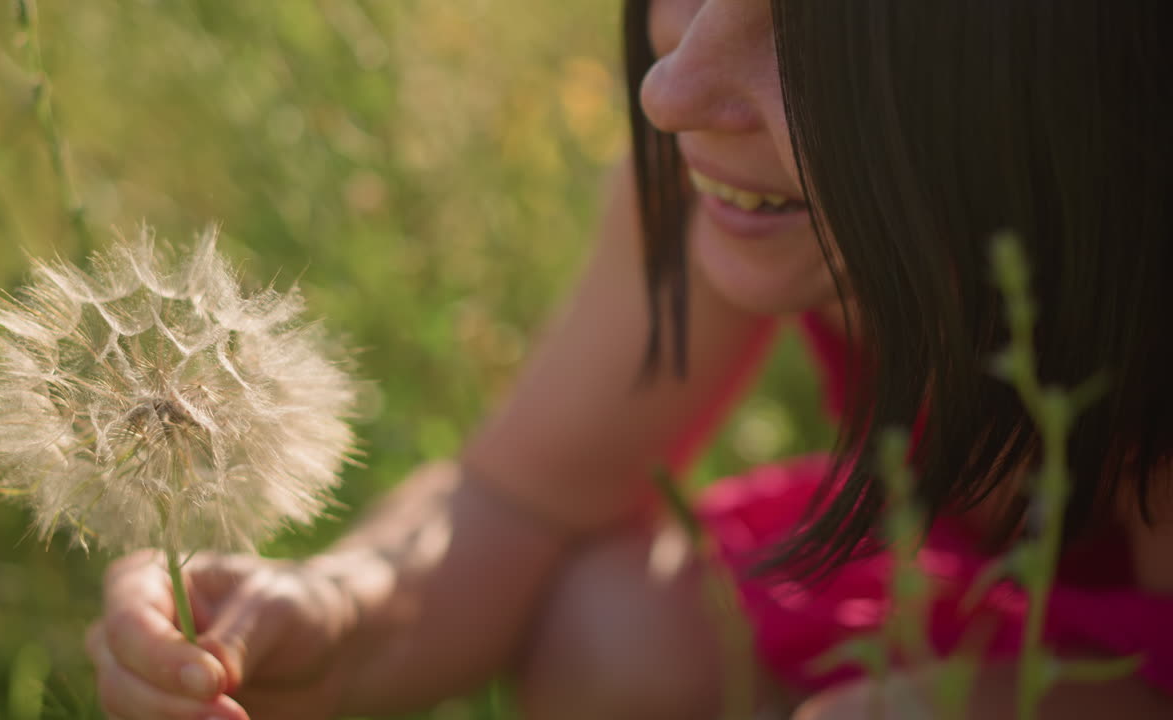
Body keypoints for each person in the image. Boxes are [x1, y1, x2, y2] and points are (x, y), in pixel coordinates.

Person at [85, 0, 1173, 718]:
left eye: (811, 35)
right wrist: (332, 613)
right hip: (995, 601)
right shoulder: (736, 202)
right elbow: (518, 501)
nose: (670, 89)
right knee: (615, 627)